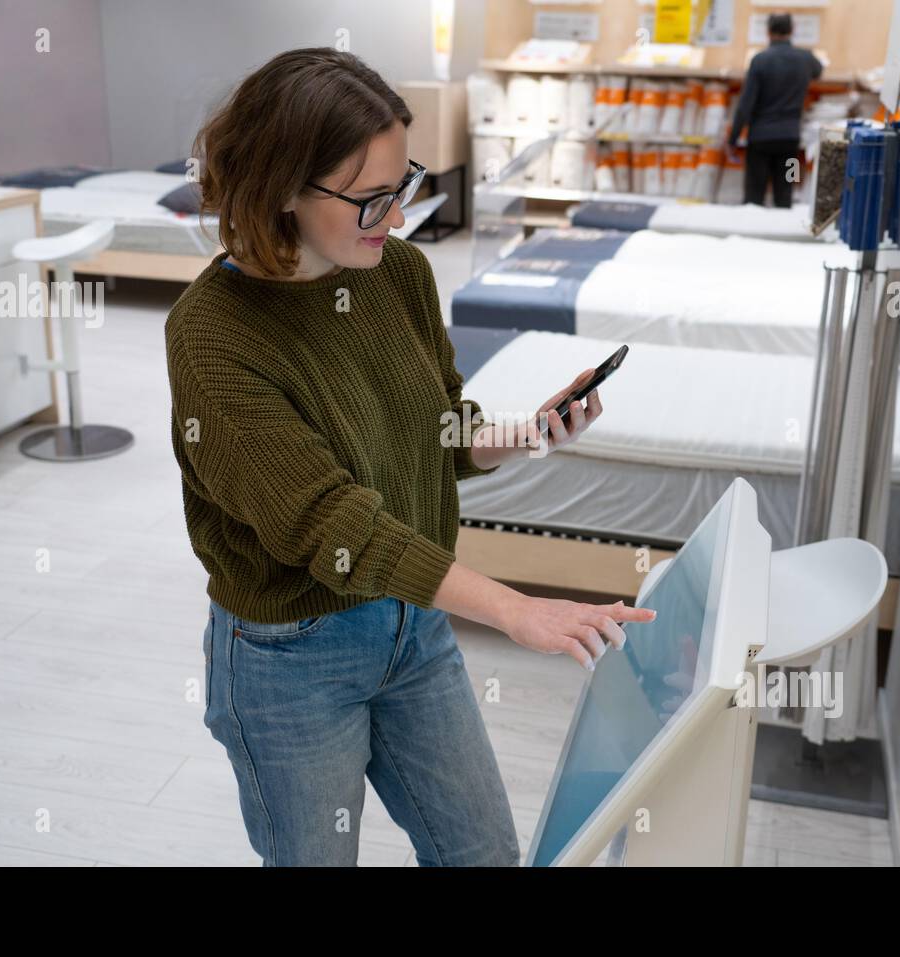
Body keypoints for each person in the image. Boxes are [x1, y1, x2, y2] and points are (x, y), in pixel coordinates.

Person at [164, 47, 657, 867]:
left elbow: (436, 430)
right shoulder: (213, 337)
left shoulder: (398, 273)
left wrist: (526, 434)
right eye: (371, 200)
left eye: (405, 187)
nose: (396, 218)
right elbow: (334, 527)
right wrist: (515, 608)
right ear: (283, 187)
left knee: (484, 854)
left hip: (410, 624)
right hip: (291, 658)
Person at [728, 13, 823, 207]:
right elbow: (819, 70)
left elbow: (746, 105)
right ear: (792, 30)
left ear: (768, 32)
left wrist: (732, 139)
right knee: (788, 191)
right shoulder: (805, 58)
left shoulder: (759, 60)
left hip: (759, 141)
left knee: (753, 196)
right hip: (791, 141)